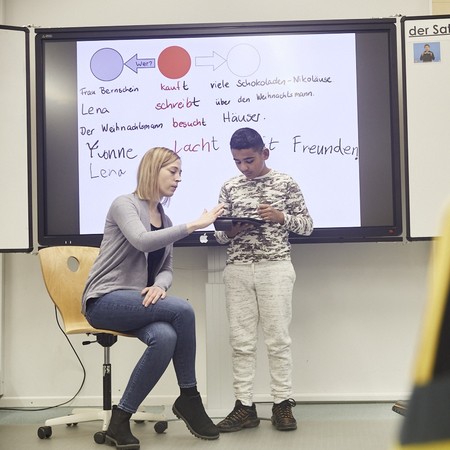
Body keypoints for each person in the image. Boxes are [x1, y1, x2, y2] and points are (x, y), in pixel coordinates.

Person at [82, 147, 224, 450]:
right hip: (105, 300)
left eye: (180, 173)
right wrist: (192, 226)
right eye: (172, 171)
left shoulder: (164, 216)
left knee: (165, 335)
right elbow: (141, 240)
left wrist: (160, 285)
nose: (179, 179)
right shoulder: (124, 204)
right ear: (153, 170)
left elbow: (166, 268)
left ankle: (119, 422)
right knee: (183, 310)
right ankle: (189, 397)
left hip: (137, 302)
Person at [214, 127, 313, 433]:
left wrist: (281, 217)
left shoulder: (286, 183)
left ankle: (282, 404)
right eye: (238, 162)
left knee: (278, 340)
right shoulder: (229, 187)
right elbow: (219, 235)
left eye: (249, 160)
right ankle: (244, 407)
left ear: (264, 153)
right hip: (238, 269)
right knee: (241, 342)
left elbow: (307, 226)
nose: (244, 167)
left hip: (276, 267)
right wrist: (231, 230)